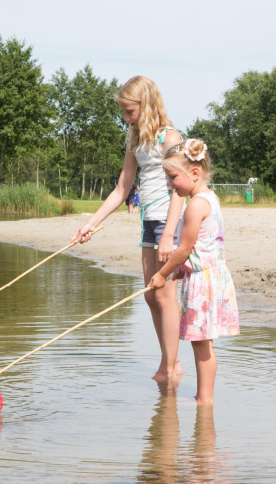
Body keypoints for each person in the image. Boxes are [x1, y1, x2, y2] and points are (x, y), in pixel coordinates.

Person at [70, 76, 185, 383]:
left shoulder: (170, 139)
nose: (126, 117)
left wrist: (168, 233)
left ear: (146, 106)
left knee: (165, 297)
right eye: (123, 111)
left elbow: (179, 190)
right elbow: (122, 188)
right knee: (151, 296)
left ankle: (170, 367)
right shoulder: (136, 140)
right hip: (149, 222)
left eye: (129, 111)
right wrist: (90, 224)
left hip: (167, 224)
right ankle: (169, 362)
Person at [148, 138, 240, 405]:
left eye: (173, 177)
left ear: (194, 173)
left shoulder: (196, 205)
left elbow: (184, 249)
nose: (169, 184)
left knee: (201, 345)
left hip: (204, 283)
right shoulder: (209, 198)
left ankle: (205, 400)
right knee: (203, 344)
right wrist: (181, 272)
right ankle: (204, 398)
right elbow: (201, 248)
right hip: (207, 277)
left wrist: (162, 274)